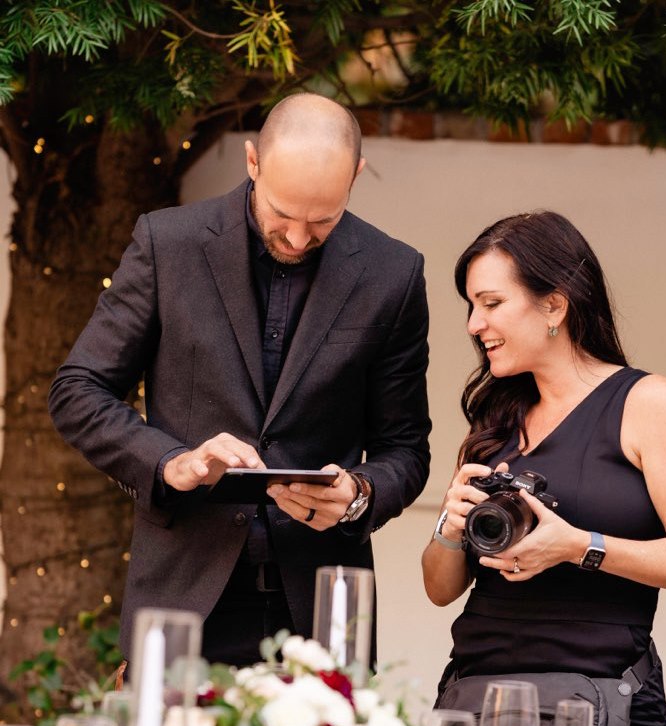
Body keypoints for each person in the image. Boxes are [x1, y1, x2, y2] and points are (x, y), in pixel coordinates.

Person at [49, 93, 430, 669]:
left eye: (322, 219)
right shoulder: (166, 243)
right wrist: (169, 461)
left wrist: (359, 495)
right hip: (181, 598)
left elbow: (406, 448)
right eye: (283, 213)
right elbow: (78, 390)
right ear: (252, 162)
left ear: (355, 174)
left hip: (321, 612)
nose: (299, 238)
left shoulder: (395, 273)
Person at [422, 211, 666, 726]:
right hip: (478, 706)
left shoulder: (648, 403)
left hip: (605, 715)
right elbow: (439, 588)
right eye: (471, 307)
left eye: (490, 303)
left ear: (554, 305)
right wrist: (448, 525)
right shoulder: (494, 422)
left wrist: (576, 546)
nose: (475, 325)